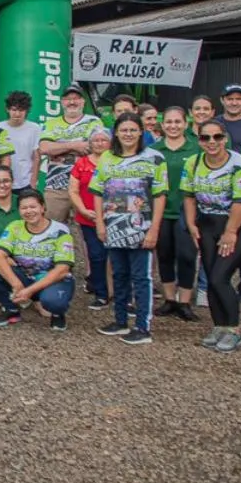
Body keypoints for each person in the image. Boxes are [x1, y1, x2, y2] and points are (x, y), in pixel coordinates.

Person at [88, 115, 169, 345]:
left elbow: (160, 195)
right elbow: (97, 192)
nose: (128, 134)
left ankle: (143, 327)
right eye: (124, 130)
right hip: (114, 225)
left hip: (140, 226)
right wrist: (100, 223)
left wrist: (154, 229)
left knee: (141, 277)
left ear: (141, 132)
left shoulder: (155, 158)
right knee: (119, 274)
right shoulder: (107, 158)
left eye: (133, 130)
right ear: (116, 132)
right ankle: (120, 320)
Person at [183, 120, 241, 353]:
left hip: (237, 223)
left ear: (225, 138)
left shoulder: (240, 163)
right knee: (210, 272)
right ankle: (219, 325)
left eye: (217, 137)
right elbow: (189, 195)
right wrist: (191, 224)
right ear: (199, 140)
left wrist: (230, 232)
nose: (211, 142)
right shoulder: (193, 162)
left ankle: (234, 329)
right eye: (205, 137)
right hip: (207, 223)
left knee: (219, 277)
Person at [0, 190, 76, 331]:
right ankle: (11, 308)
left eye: (33, 207)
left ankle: (57, 314)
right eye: (24, 208)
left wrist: (29, 291)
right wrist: (16, 284)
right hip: (25, 276)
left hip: (51, 280)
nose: (29, 211)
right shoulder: (15, 227)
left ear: (42, 207)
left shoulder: (60, 230)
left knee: (53, 301)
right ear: (19, 211)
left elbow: (62, 269)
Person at [152, 106, 201, 322]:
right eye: (169, 122)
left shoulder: (196, 149)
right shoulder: (154, 150)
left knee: (187, 256)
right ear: (162, 125)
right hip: (162, 211)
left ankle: (185, 301)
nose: (173, 126)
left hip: (186, 211)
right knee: (164, 255)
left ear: (185, 123)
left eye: (177, 122)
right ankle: (170, 299)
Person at [37, 86, 105, 228]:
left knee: (83, 229)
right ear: (62, 102)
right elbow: (44, 148)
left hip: (85, 185)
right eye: (68, 99)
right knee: (50, 227)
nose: (72, 102)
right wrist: (75, 145)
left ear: (83, 101)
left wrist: (59, 148)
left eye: (76, 99)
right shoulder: (51, 123)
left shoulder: (94, 121)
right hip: (56, 185)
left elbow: (94, 147)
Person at [69, 129, 113, 309]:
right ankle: (101, 293)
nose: (99, 143)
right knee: (96, 255)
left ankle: (121, 294)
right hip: (88, 218)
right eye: (96, 140)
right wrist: (83, 210)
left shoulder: (117, 161)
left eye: (104, 140)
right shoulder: (81, 163)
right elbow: (73, 190)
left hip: (114, 218)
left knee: (117, 257)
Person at [0, 91, 42, 190]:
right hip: (3, 181)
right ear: (7, 109)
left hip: (26, 181)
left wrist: (33, 181)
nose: (17, 114)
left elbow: (37, 157)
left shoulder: (35, 128)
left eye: (21, 110)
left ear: (27, 111)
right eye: (14, 110)